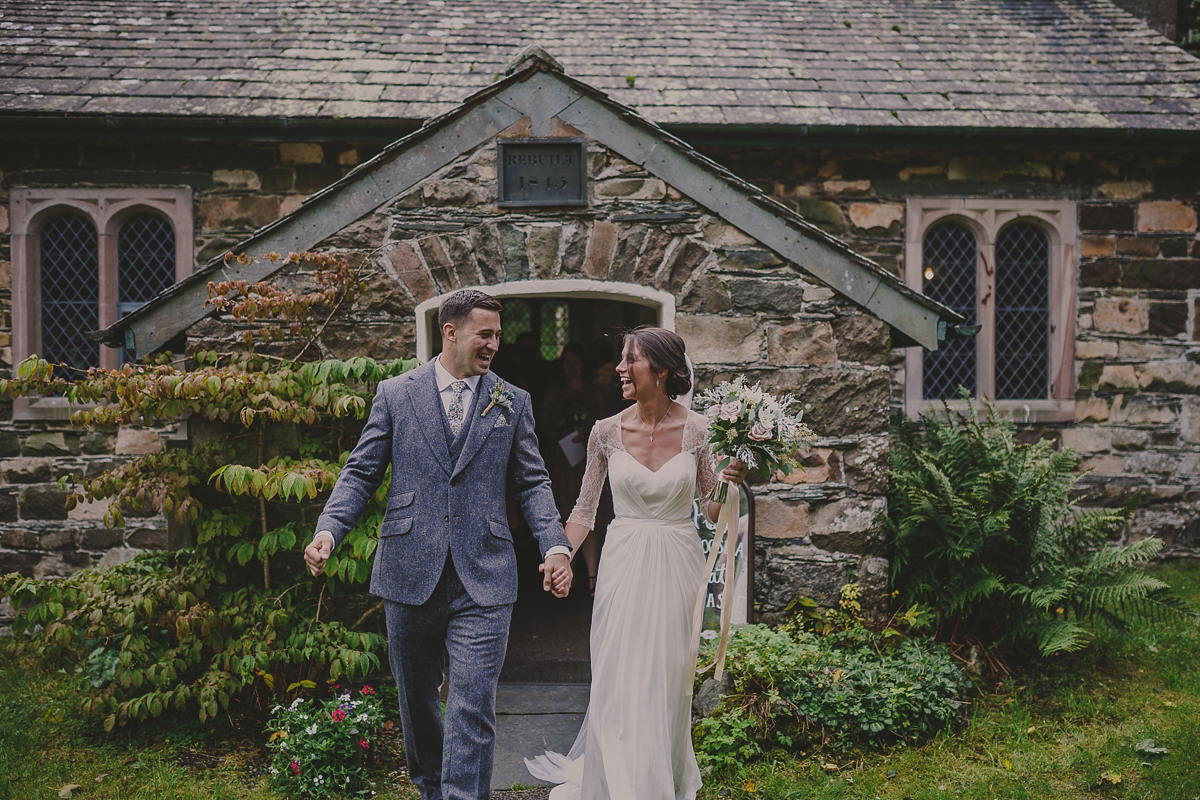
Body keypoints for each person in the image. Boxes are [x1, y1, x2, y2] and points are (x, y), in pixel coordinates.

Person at [304, 289, 574, 800]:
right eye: (485, 334)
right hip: (409, 571)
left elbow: (533, 483)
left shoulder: (512, 401)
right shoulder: (396, 394)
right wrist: (329, 529)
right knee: (418, 704)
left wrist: (554, 546)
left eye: (498, 334)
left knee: (472, 705)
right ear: (450, 332)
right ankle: (431, 790)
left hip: (485, 576)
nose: (495, 343)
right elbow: (361, 472)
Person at [527, 326, 747, 800]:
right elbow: (584, 511)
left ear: (661, 371)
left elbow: (711, 508)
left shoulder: (699, 431)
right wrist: (560, 554)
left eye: (631, 360)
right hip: (623, 559)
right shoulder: (604, 432)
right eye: (623, 360)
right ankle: (620, 784)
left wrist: (729, 482)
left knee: (665, 678)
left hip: (677, 559)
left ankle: (657, 780)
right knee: (618, 670)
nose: (620, 368)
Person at [538, 342, 606, 594]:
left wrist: (584, 434)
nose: (571, 367)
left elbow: (604, 424)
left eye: (575, 362)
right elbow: (542, 428)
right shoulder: (554, 392)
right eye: (567, 363)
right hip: (561, 459)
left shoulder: (594, 392)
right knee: (565, 512)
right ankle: (569, 576)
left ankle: (592, 578)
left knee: (590, 516)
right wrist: (564, 434)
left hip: (586, 460)